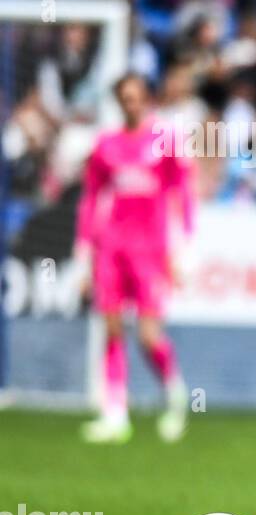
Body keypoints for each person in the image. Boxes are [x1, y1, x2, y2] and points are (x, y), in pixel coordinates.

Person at [75, 73, 193, 444]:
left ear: (148, 99)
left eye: (137, 97)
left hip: (150, 250)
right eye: (125, 98)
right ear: (118, 101)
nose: (132, 104)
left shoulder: (164, 140)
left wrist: (182, 249)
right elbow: (91, 200)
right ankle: (115, 413)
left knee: (147, 334)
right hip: (111, 248)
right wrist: (83, 256)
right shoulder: (105, 145)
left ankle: (175, 397)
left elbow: (182, 192)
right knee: (111, 328)